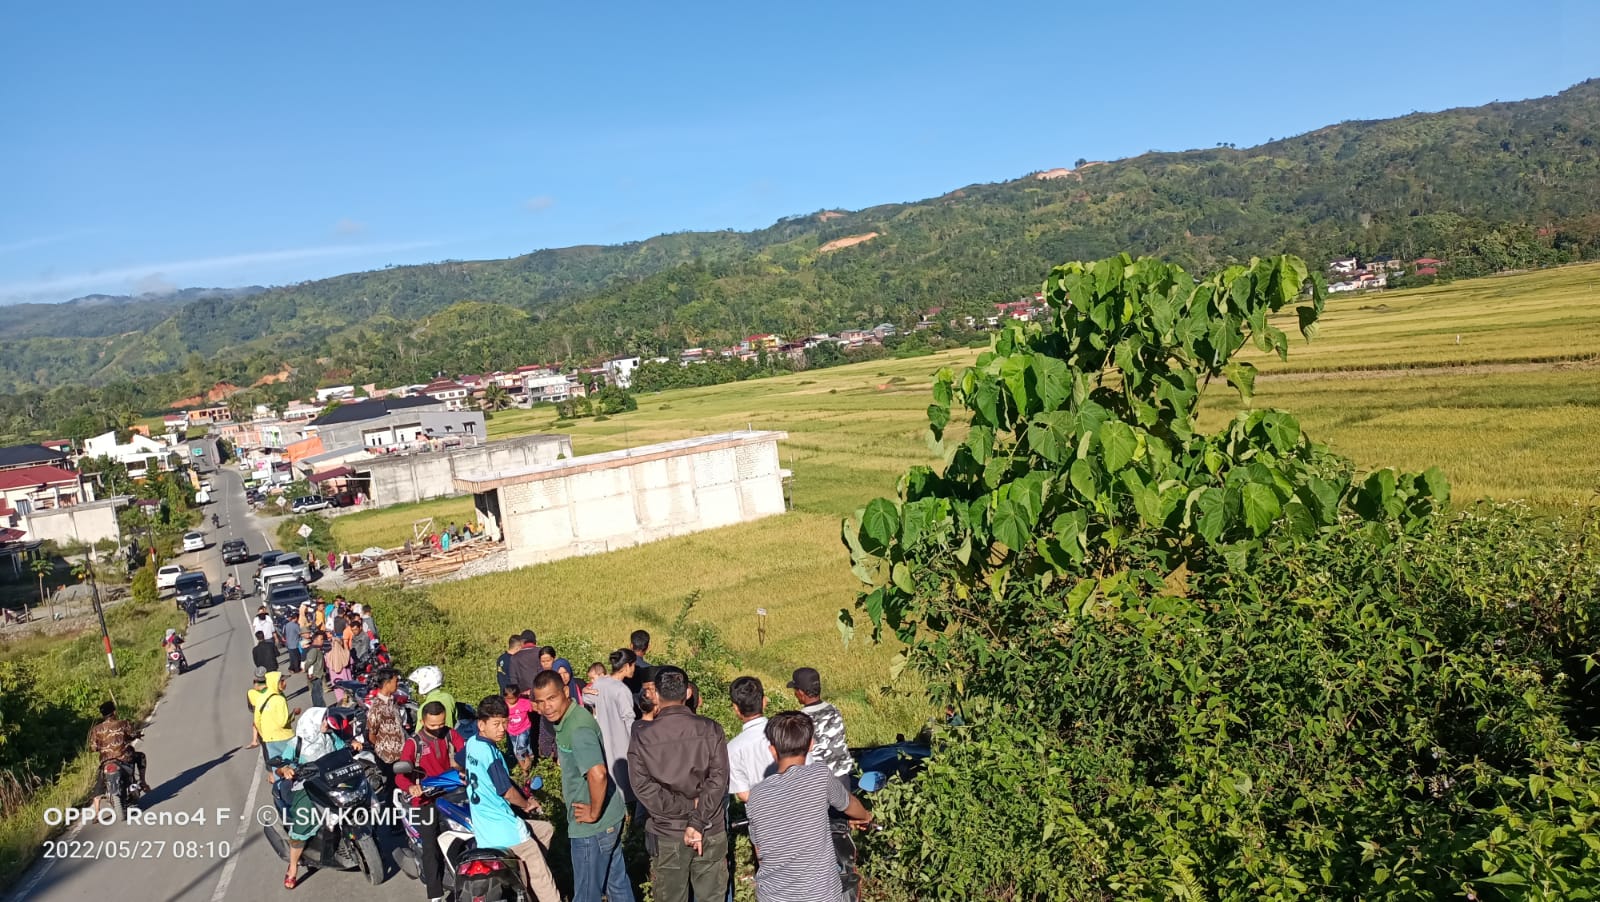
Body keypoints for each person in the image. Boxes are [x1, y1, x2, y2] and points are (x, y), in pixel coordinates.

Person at [744, 712, 873, 902]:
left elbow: (760, 853)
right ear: (811, 745)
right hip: (820, 895)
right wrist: (865, 816)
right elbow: (849, 804)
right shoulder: (819, 776)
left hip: (772, 896)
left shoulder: (756, 795)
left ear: (772, 750)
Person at [627, 666, 729, 902]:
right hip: (709, 828)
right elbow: (718, 780)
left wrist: (687, 809)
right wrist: (698, 819)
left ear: (656, 695)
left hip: (668, 832)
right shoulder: (711, 729)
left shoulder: (642, 736)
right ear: (688, 693)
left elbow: (643, 787)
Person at [530, 672, 633, 902]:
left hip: (592, 828)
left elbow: (598, 774)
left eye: (552, 698)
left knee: (587, 894)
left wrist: (593, 812)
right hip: (610, 817)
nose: (547, 706)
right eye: (541, 701)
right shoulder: (572, 719)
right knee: (617, 886)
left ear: (566, 692)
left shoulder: (577, 729)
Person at [463, 695, 560, 902]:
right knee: (544, 879)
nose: (502, 729)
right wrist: (526, 804)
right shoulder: (490, 753)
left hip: (484, 834)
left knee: (546, 830)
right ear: (481, 724)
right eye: (496, 724)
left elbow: (459, 760)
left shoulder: (472, 744)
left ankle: (523, 883)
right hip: (508, 833)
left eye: (505, 723)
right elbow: (506, 791)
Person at [396, 701, 467, 902]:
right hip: (424, 800)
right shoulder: (413, 743)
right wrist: (410, 787)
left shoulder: (451, 734)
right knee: (430, 847)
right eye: (433, 725)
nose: (437, 729)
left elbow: (466, 753)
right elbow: (401, 776)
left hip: (452, 793)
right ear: (423, 721)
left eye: (441, 724)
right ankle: (435, 895)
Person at [275, 708, 349, 889]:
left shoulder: (331, 737)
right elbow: (281, 764)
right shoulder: (297, 743)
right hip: (309, 786)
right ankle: (293, 867)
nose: (326, 723)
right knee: (304, 821)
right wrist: (285, 770)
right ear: (312, 722)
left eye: (326, 720)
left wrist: (353, 745)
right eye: (323, 720)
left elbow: (343, 749)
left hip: (334, 781)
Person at [588, 650, 638, 804]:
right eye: (633, 665)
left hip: (604, 738)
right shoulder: (622, 690)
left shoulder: (600, 683)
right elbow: (629, 720)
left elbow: (587, 698)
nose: (634, 669)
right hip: (622, 741)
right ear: (627, 666)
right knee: (626, 780)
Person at [789, 667, 855, 782]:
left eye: (795, 690)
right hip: (843, 775)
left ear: (800, 693)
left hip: (820, 782)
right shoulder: (833, 710)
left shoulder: (800, 720)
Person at [89, 699, 147, 808]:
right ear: (114, 712)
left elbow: (93, 748)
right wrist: (137, 735)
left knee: (100, 778)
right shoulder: (123, 723)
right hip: (124, 758)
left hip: (106, 761)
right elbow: (132, 734)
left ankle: (98, 809)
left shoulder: (96, 729)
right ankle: (143, 782)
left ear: (103, 715)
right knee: (141, 756)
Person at [726, 677, 772, 803]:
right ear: (764, 702)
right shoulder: (787, 732)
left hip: (763, 817)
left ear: (736, 708)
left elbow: (743, 794)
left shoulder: (733, 748)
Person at [251, 670, 297, 783]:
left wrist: (264, 734)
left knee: (277, 766)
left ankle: (280, 789)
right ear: (275, 683)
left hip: (269, 739)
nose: (284, 683)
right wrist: (293, 715)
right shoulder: (279, 699)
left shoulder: (261, 698)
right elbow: (283, 722)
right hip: (284, 737)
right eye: (282, 681)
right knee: (292, 764)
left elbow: (257, 720)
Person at [366, 668, 407, 775]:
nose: (397, 684)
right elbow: (372, 735)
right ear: (387, 683)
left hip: (401, 754)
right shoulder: (377, 707)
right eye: (395, 681)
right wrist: (385, 747)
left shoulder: (392, 702)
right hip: (388, 758)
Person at [504, 684, 534, 770]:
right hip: (512, 731)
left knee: (518, 750)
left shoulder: (524, 703)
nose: (510, 701)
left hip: (524, 728)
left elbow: (534, 707)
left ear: (518, 696)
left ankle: (524, 768)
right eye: (508, 698)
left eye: (513, 698)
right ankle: (530, 755)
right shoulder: (504, 706)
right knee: (524, 745)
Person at [325, 628, 353, 703]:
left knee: (339, 695)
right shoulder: (346, 653)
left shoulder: (328, 655)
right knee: (348, 694)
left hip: (335, 680)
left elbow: (327, 665)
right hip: (346, 678)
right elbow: (351, 662)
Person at [302, 631, 326, 708]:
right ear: (315, 640)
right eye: (321, 639)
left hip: (317, 674)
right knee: (317, 694)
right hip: (315, 675)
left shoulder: (317, 649)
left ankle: (318, 708)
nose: (322, 641)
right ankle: (320, 709)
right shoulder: (313, 650)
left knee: (316, 693)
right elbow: (309, 661)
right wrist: (306, 669)